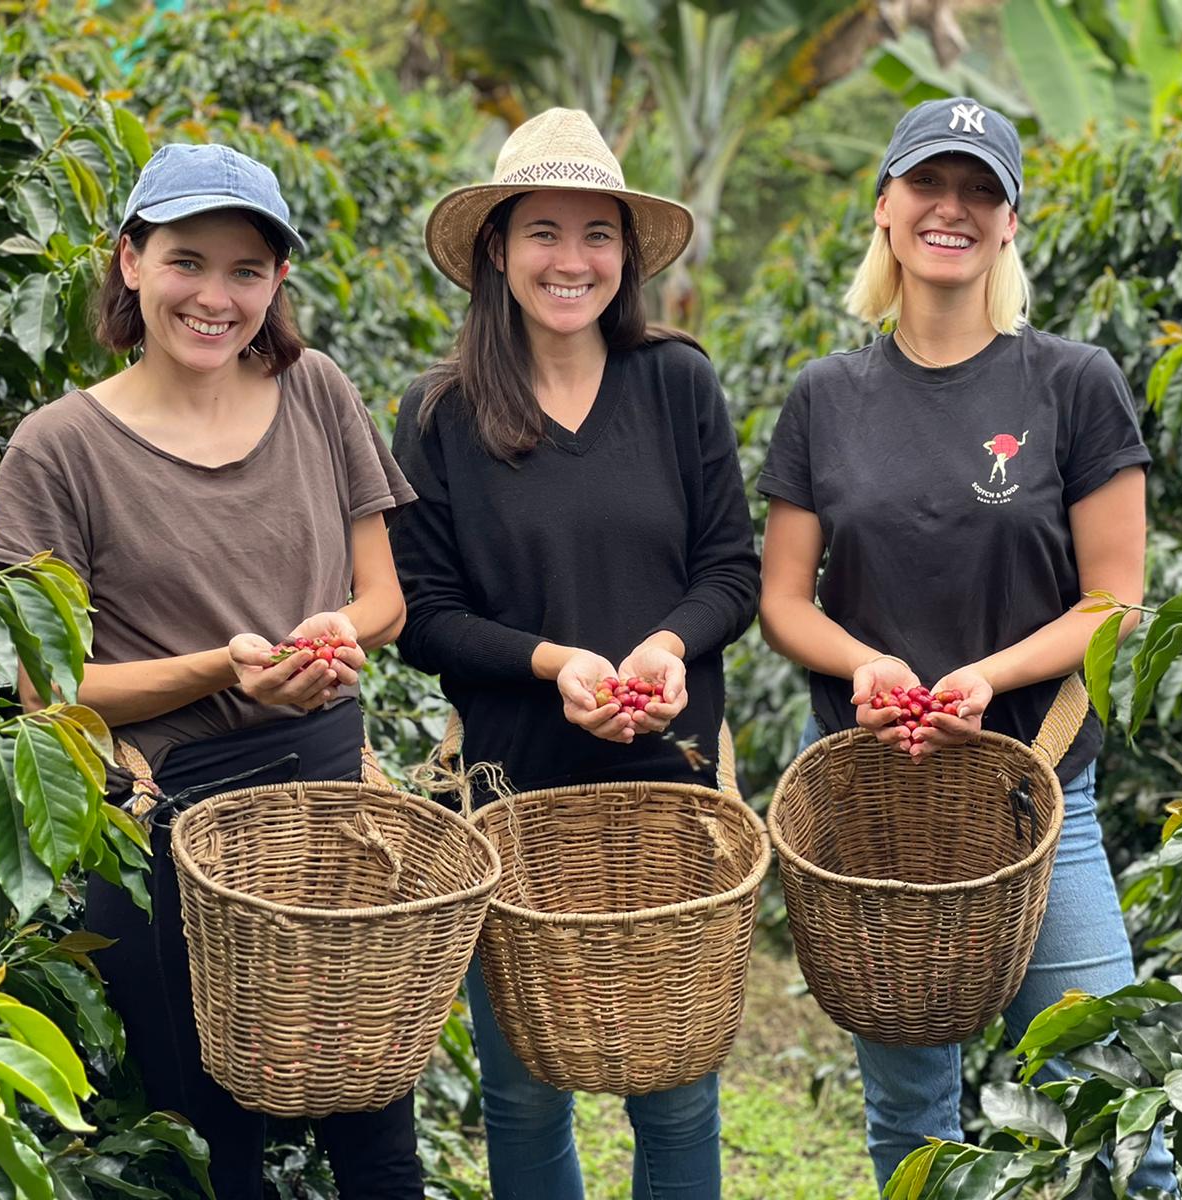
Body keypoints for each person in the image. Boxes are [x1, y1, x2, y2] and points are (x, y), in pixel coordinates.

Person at [0, 143, 421, 1199]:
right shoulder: (58, 449)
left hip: (327, 802)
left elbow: (384, 600)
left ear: (277, 285)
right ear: (130, 261)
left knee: (373, 1122)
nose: (216, 297)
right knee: (214, 1140)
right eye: (188, 261)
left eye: (246, 270)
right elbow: (50, 693)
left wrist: (330, 638)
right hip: (162, 815)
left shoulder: (313, 390)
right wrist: (223, 670)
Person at [756, 97, 1177, 1195]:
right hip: (876, 799)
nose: (952, 208)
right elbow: (784, 601)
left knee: (1116, 1096)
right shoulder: (824, 397)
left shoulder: (1071, 384)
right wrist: (864, 664)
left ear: (1010, 222)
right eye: (928, 186)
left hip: (1039, 792)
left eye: (979, 190)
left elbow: (1115, 601)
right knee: (911, 1121)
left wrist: (989, 676)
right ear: (884, 209)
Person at [389, 107, 759, 1199]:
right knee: (523, 1087)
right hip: (514, 788)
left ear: (625, 257)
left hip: (667, 784)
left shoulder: (675, 383)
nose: (572, 260)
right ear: (497, 248)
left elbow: (729, 570)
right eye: (543, 232)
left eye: (597, 235)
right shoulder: (441, 411)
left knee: (677, 1084)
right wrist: (556, 663)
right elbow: (423, 614)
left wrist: (664, 646)